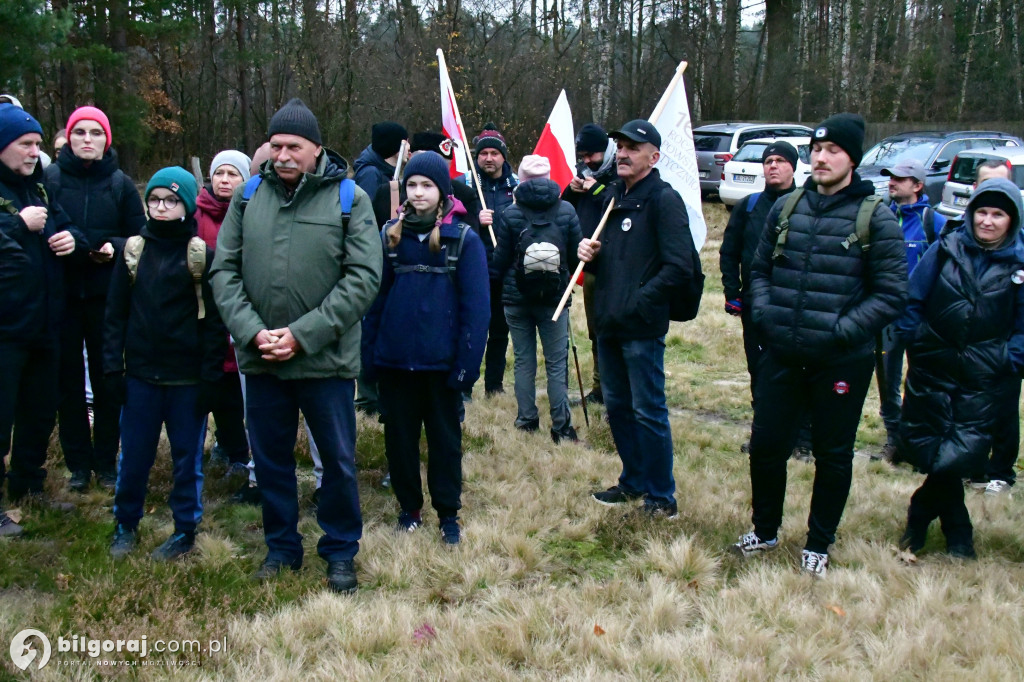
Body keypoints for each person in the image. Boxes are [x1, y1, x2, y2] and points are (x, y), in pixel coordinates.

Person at [210, 98, 382, 593]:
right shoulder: (246, 198)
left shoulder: (350, 198)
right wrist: (252, 331)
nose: (283, 155)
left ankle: (340, 551)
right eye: (277, 145)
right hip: (261, 359)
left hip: (324, 362)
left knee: (339, 463)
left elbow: (364, 277)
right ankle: (282, 546)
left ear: (316, 149)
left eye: (295, 147)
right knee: (270, 463)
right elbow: (224, 272)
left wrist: (302, 335)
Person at [733, 113, 908, 577]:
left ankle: (818, 543)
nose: (822, 157)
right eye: (817, 149)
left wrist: (840, 332)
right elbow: (759, 271)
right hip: (782, 353)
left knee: (833, 455)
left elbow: (891, 294)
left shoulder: (877, 218)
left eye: (833, 150)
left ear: (853, 158)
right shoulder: (787, 208)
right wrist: (767, 317)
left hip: (840, 361)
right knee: (767, 446)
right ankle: (765, 530)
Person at [362, 151, 489, 544]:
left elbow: (477, 310)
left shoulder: (463, 241)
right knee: (399, 442)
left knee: (445, 443)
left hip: (442, 367)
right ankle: (409, 508)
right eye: (413, 185)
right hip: (396, 364)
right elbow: (374, 304)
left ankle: (448, 514)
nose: (418, 193)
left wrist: (466, 367)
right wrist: (370, 360)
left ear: (442, 192)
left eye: (427, 186)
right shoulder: (389, 237)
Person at [896, 178, 1024, 559]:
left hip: (985, 375)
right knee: (932, 446)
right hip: (933, 366)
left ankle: (924, 515)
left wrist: (1009, 360)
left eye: (997, 214)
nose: (987, 221)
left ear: (1012, 220)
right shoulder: (946, 249)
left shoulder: (1020, 264)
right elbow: (914, 297)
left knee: (960, 453)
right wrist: (915, 338)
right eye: (981, 212)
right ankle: (957, 531)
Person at [104, 168, 226, 560]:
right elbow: (114, 316)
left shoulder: (200, 256)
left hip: (186, 379)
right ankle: (125, 523)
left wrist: (209, 378)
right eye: (154, 199)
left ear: (186, 205)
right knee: (134, 455)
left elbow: (213, 324)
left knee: (186, 458)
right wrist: (112, 369)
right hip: (140, 376)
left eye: (170, 201)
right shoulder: (132, 251)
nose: (160, 207)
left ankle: (185, 529)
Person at [577, 120, 695, 518]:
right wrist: (591, 254)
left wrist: (642, 300)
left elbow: (680, 266)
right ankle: (633, 480)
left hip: (641, 326)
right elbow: (617, 257)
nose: (623, 153)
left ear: (654, 156)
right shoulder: (612, 197)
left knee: (648, 409)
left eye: (633, 147)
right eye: (621, 146)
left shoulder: (663, 199)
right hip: (608, 321)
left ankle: (662, 496)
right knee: (618, 407)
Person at [46, 106, 146, 493]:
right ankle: (76, 466)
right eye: (80, 133)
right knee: (67, 384)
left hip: (107, 298)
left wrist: (114, 247)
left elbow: (140, 238)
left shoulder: (121, 184)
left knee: (107, 383)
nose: (88, 139)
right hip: (63, 297)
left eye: (96, 133)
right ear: (68, 139)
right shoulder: (50, 180)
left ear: (107, 140)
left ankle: (106, 463)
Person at [0, 104, 85, 536]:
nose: (35, 152)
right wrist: (16, 225)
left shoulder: (41, 189)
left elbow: (68, 226)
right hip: (5, 330)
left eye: (37, 144)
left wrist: (73, 238)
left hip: (44, 325)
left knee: (38, 412)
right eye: (25, 144)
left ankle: (28, 485)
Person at [493, 155, 582, 442]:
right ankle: (561, 428)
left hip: (516, 299)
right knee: (557, 363)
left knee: (523, 361)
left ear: (521, 179)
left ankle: (527, 419)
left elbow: (500, 260)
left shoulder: (510, 213)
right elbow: (574, 254)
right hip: (555, 298)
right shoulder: (566, 210)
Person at [720, 141, 800, 447]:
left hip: (792, 304)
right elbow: (729, 251)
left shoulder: (804, 205)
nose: (773, 166)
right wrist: (732, 292)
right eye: (769, 161)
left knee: (793, 370)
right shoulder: (749, 206)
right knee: (759, 368)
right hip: (755, 303)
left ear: (793, 167)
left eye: (781, 160)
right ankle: (762, 433)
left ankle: (798, 437)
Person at [874, 159, 946, 462]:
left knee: (923, 383)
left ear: (918, 185)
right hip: (887, 318)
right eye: (891, 177)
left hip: (922, 320)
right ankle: (895, 440)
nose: (893, 182)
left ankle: (922, 441)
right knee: (887, 382)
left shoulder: (935, 222)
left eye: (901, 178)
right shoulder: (880, 217)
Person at [194, 150, 252, 479]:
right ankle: (221, 446)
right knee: (212, 385)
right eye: (219, 173)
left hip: (239, 312)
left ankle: (239, 453)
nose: (225, 180)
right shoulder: (194, 215)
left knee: (237, 390)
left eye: (232, 174)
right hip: (203, 314)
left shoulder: (251, 213)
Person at [562, 123, 618, 405]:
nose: (586, 161)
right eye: (582, 156)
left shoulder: (620, 173)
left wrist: (595, 190)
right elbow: (565, 207)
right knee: (596, 331)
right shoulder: (583, 174)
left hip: (618, 268)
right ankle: (599, 389)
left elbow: (617, 203)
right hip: (590, 268)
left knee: (614, 332)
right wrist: (573, 190)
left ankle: (618, 390)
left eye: (591, 155)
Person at [468, 123, 517, 396]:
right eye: (483, 153)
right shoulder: (466, 184)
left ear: (503, 156)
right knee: (473, 328)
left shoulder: (517, 187)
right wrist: (476, 220)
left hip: (505, 269)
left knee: (500, 332)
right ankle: (465, 383)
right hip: (474, 269)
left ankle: (494, 386)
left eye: (494, 153)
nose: (488, 158)